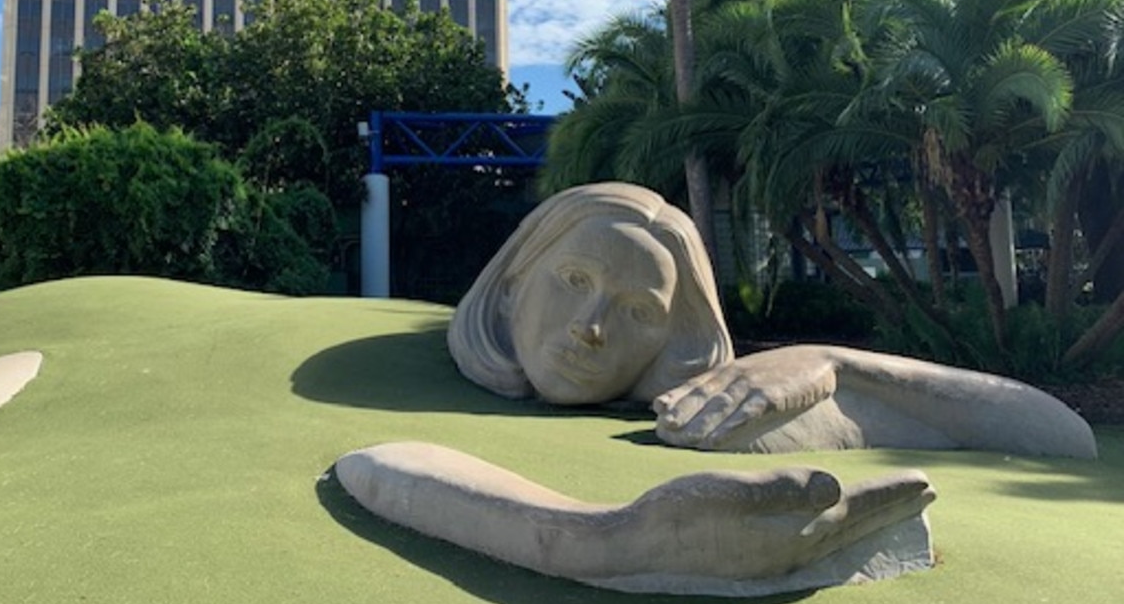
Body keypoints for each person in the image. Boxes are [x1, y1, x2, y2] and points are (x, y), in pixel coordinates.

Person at [449, 182, 1097, 458]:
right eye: (574, 281)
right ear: (511, 285)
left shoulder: (711, 408)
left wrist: (830, 362)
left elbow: (1065, 434)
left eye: (639, 311)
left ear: (672, 339)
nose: (590, 327)